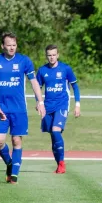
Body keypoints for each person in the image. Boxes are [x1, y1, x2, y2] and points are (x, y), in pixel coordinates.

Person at [0, 32, 46, 184]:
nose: (11, 48)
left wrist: (40, 101)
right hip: (1, 109)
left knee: (16, 141)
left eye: (14, 45)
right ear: (2, 46)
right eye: (8, 45)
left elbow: (34, 82)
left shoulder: (24, 61)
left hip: (19, 109)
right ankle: (10, 162)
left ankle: (14, 174)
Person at [36, 44, 81, 174]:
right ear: (46, 56)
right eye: (49, 55)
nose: (52, 57)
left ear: (58, 55)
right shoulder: (42, 70)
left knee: (56, 131)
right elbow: (37, 88)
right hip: (47, 107)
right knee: (53, 137)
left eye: (54, 55)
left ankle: (62, 163)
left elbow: (75, 87)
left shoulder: (65, 69)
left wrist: (77, 104)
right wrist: (39, 102)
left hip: (62, 105)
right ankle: (59, 164)